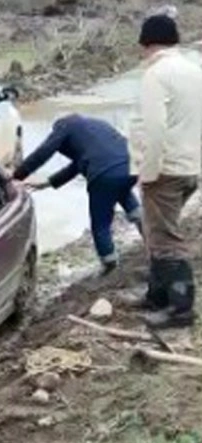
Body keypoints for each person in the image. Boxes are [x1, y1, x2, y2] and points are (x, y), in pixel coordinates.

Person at [125, 14, 202, 329]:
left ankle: (181, 308)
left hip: (165, 170)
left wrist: (149, 172)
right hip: (190, 166)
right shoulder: (194, 70)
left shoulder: (156, 75)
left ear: (147, 43)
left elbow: (154, 128)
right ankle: (157, 296)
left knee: (166, 239)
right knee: (157, 234)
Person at [11, 113, 143, 276]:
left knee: (100, 223)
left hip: (103, 175)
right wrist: (47, 183)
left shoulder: (63, 127)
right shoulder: (96, 124)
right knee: (121, 190)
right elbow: (78, 165)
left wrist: (17, 176)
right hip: (131, 166)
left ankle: (109, 263)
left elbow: (43, 152)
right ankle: (151, 236)